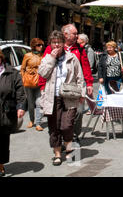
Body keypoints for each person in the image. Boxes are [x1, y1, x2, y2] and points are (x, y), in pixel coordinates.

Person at [38, 31, 86, 166]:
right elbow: (42, 73)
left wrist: (82, 93)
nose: (56, 44)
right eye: (54, 42)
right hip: (52, 97)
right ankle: (58, 154)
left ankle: (69, 148)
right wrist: (51, 59)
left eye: (59, 42)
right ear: (50, 44)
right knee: (54, 127)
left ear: (63, 43)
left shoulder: (71, 58)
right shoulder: (47, 57)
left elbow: (79, 76)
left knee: (67, 125)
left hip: (69, 97)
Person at [39, 24, 94, 142]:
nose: (77, 36)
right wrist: (42, 86)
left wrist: (88, 83)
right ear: (65, 35)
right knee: (57, 118)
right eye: (74, 33)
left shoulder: (79, 49)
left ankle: (74, 135)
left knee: (79, 111)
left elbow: (85, 67)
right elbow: (44, 69)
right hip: (56, 89)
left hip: (73, 87)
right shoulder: (50, 49)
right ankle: (62, 140)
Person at [0, 49, 26, 176]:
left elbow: (20, 91)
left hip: (5, 111)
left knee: (3, 139)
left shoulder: (12, 73)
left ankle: (0, 164)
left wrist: (20, 106)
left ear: (1, 58)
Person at [20, 38, 45, 131]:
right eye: (39, 45)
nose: (41, 47)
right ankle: (31, 120)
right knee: (30, 103)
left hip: (39, 81)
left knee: (39, 103)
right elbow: (22, 68)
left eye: (42, 45)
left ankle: (38, 123)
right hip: (29, 81)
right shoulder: (27, 55)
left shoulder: (43, 56)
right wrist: (24, 78)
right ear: (34, 46)